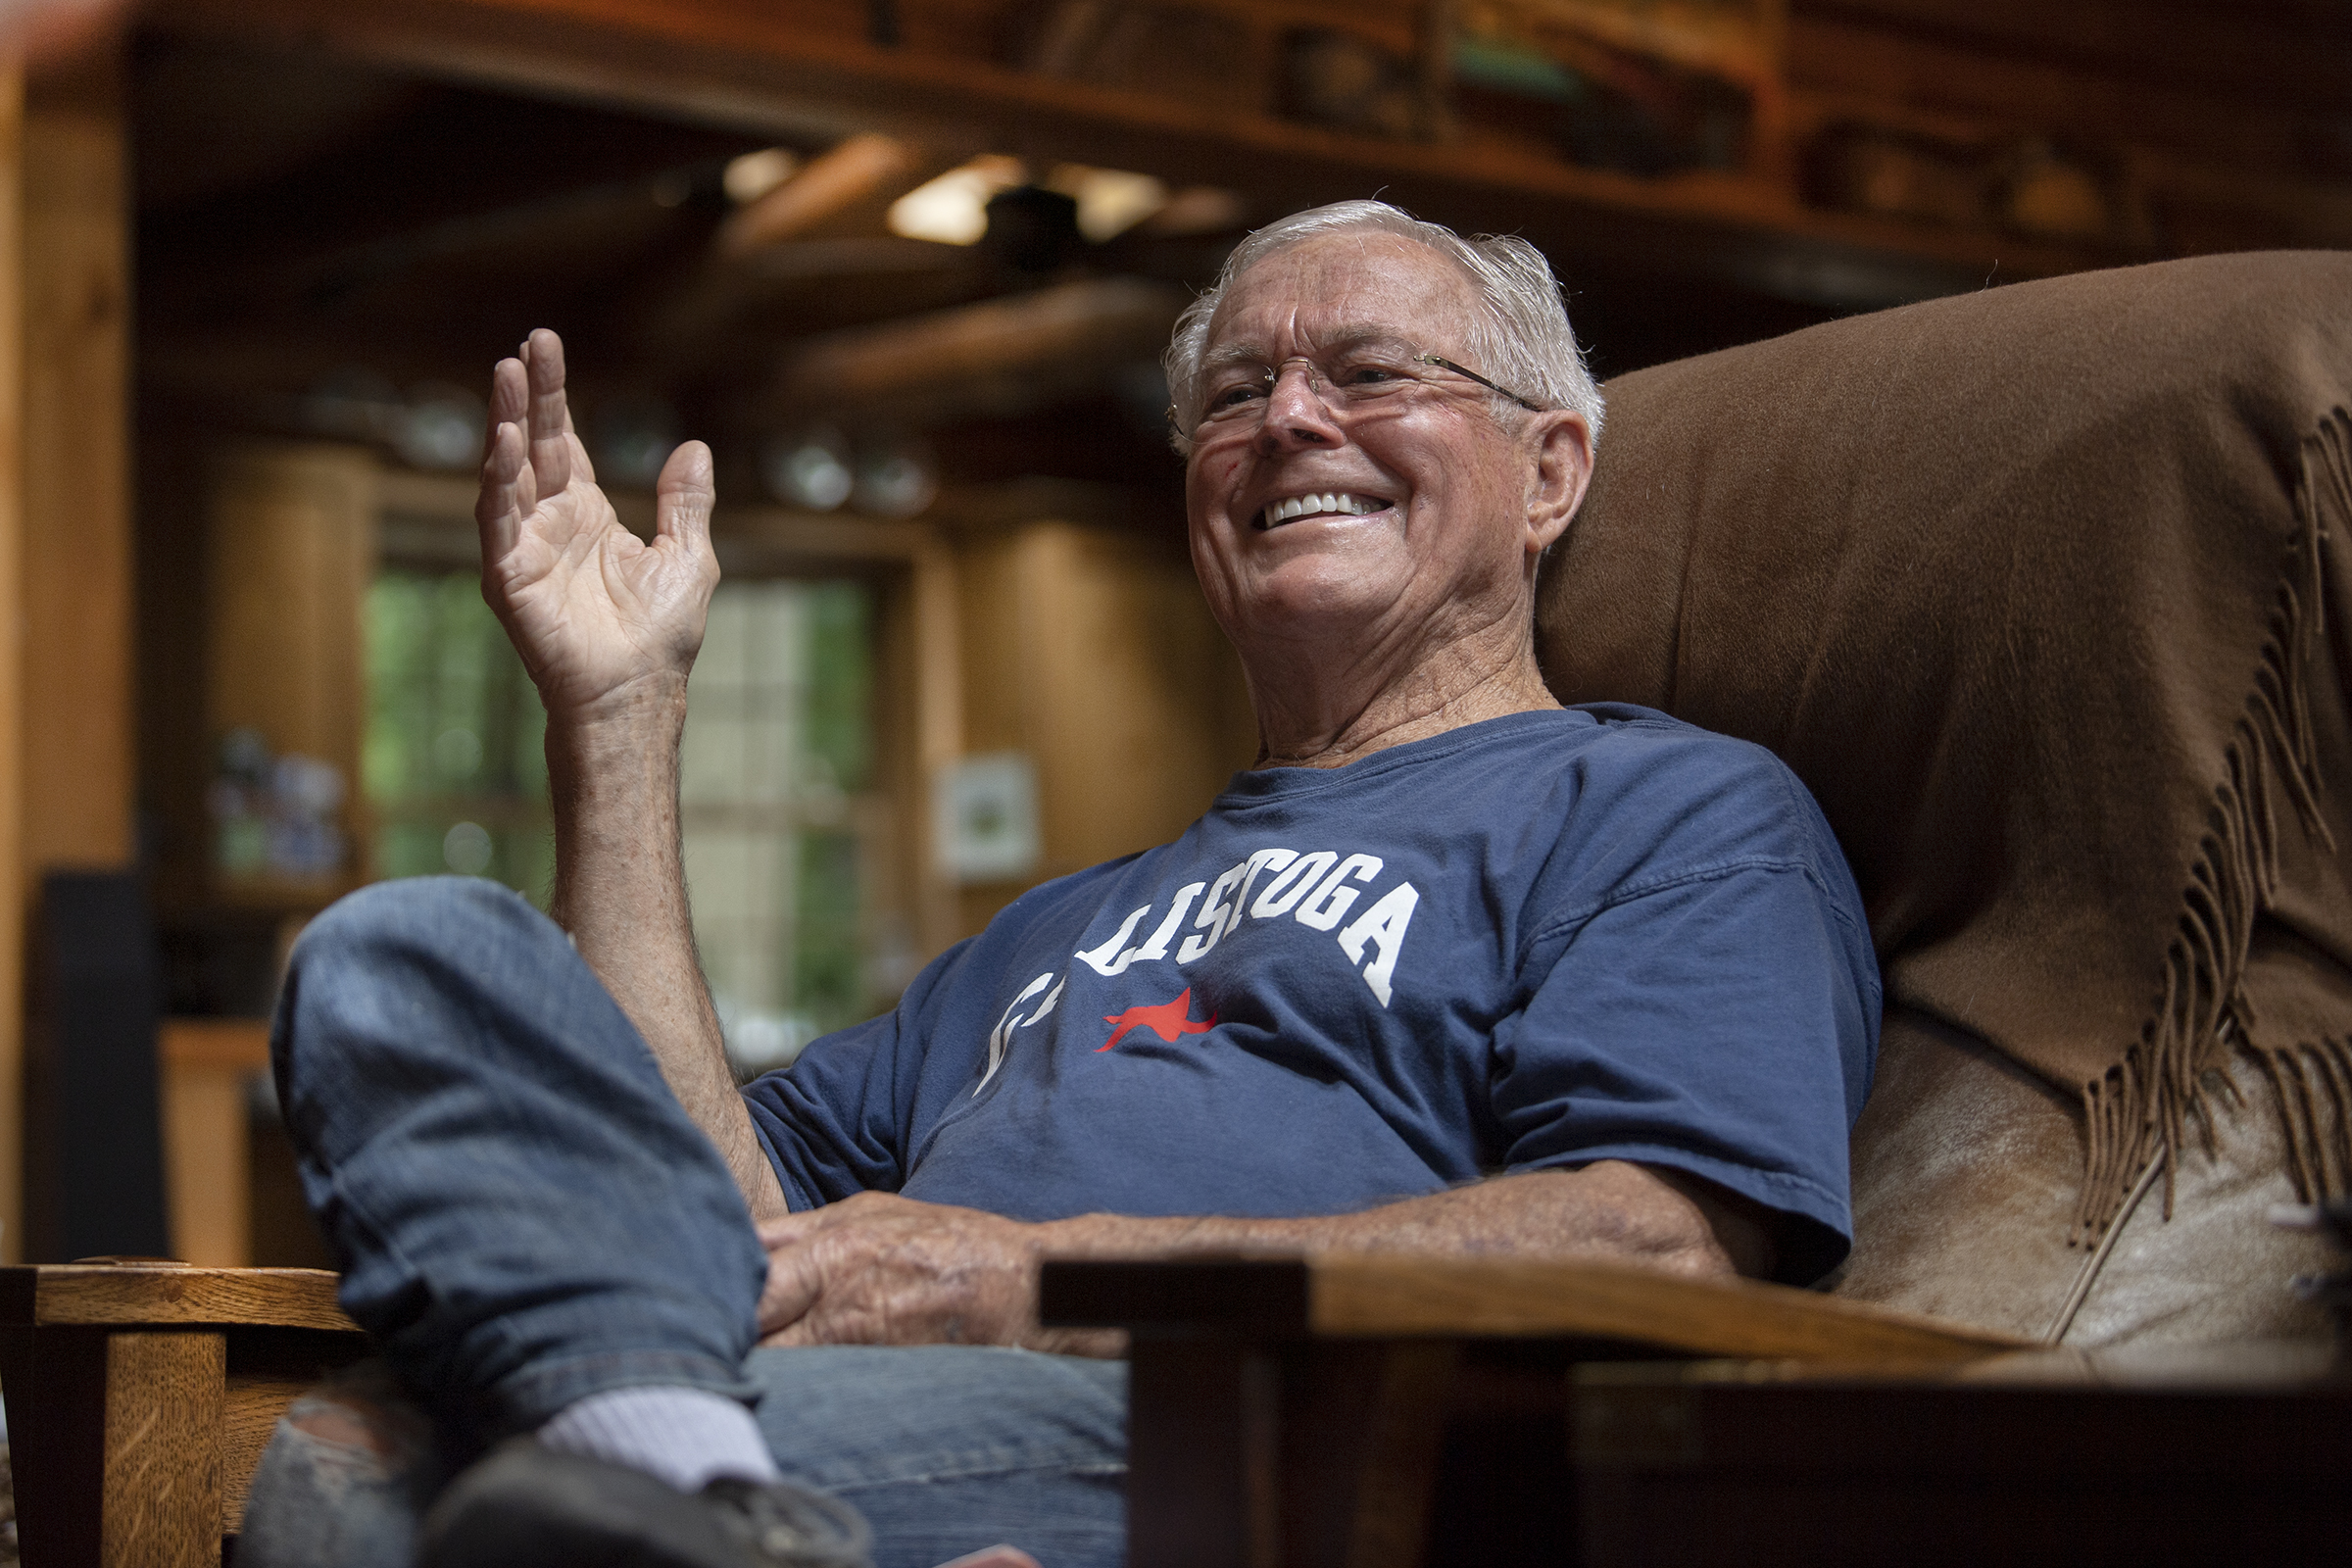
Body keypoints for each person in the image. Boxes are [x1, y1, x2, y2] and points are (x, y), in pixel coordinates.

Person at [240, 200, 1878, 1568]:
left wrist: (1025, 1284)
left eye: (1371, 372)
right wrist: (619, 719)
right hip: (814, 1405)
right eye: (1237, 394)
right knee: (404, 952)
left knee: (358, 1493)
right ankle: (683, 1478)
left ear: (1551, 473)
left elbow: (1658, 1247)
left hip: (1229, 1440)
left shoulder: (1668, 811)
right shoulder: (1051, 929)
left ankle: (667, 1487)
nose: (1292, 419)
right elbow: (701, 1214)